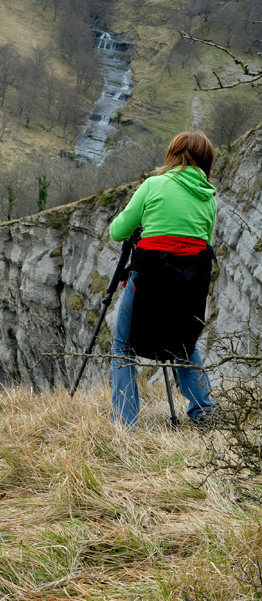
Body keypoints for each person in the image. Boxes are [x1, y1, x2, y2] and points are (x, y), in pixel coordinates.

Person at [109, 131, 217, 428]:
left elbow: (118, 231)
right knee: (185, 340)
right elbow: (202, 242)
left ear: (172, 154)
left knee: (123, 346)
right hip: (189, 283)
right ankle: (203, 409)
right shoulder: (209, 197)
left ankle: (125, 423)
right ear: (206, 162)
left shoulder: (153, 185)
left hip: (150, 277)